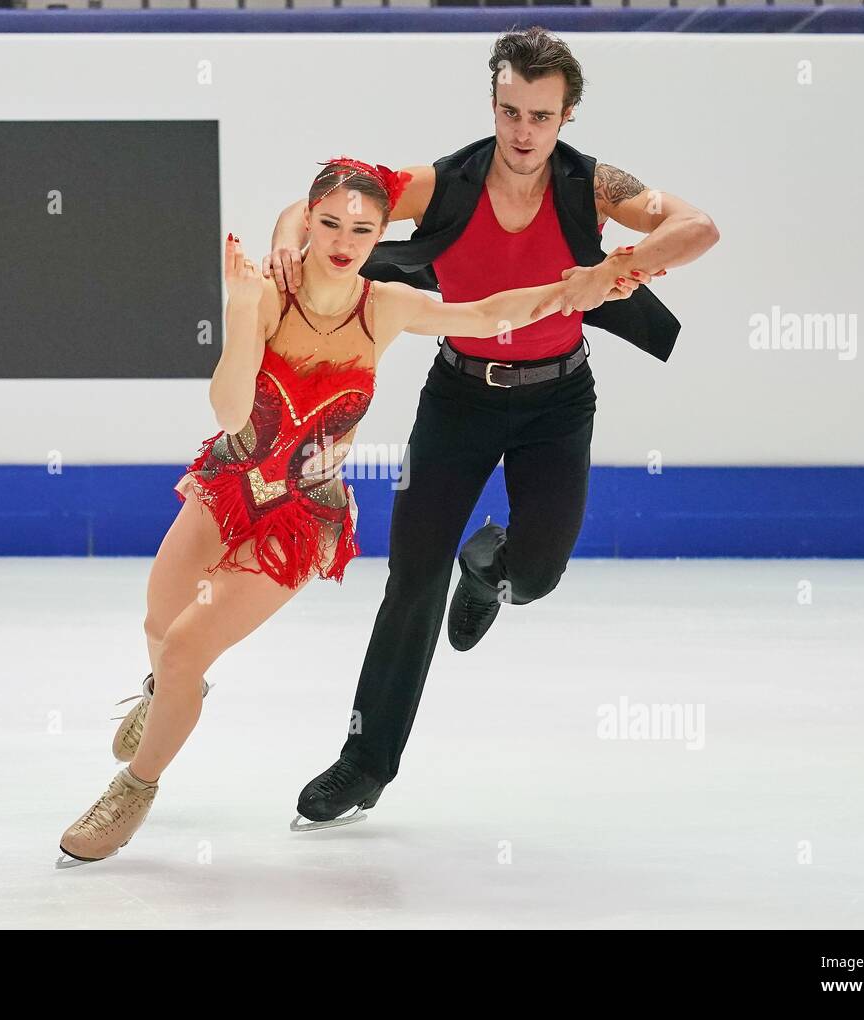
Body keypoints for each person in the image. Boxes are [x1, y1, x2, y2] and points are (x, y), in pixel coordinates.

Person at [56, 156, 603, 865]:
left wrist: (576, 289)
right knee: (161, 626)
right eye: (331, 223)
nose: (345, 240)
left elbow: (486, 313)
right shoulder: (266, 296)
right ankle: (165, 694)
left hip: (299, 520)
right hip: (227, 485)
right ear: (305, 221)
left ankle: (132, 791)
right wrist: (237, 311)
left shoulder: (384, 306)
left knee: (189, 646)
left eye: (363, 228)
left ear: (380, 236)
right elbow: (228, 412)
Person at [267, 27, 720, 830]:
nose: (522, 132)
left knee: (537, 574)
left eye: (540, 117)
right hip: (458, 398)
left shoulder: (591, 188)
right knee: (411, 580)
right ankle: (363, 764)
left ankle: (492, 568)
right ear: (493, 105)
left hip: (558, 402)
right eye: (510, 111)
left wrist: (611, 271)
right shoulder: (443, 183)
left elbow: (698, 227)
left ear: (566, 117)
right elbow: (317, 203)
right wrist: (283, 245)